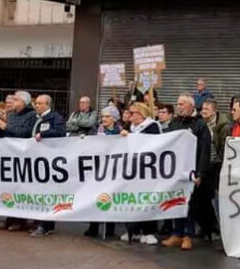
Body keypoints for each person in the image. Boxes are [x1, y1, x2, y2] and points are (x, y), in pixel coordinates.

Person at [161, 94, 211, 250]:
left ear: (191, 106)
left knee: (189, 204)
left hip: (192, 170)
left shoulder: (200, 125)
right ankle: (177, 233)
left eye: (182, 104)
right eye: (178, 103)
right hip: (176, 170)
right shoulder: (175, 122)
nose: (179, 106)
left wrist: (200, 173)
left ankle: (188, 235)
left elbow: (205, 151)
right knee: (176, 201)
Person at [0, 91, 35, 232]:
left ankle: (20, 220)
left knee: (20, 188)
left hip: (22, 156)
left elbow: (25, 133)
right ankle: (9, 218)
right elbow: (3, 134)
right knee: (8, 188)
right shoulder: (11, 115)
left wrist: (5, 126)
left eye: (16, 99)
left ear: (23, 102)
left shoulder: (31, 115)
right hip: (9, 154)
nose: (12, 101)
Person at [122, 102, 161, 244]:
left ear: (141, 114)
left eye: (132, 113)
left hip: (148, 169)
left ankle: (149, 231)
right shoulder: (129, 127)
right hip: (132, 169)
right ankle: (134, 230)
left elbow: (150, 143)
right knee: (132, 199)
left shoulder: (152, 126)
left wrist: (130, 136)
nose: (129, 116)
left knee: (147, 199)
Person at [28, 94, 66, 237]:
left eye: (40, 104)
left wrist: (44, 134)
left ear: (47, 105)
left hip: (48, 160)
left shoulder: (55, 117)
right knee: (36, 193)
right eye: (36, 103)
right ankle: (39, 222)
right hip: (35, 159)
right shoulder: (36, 118)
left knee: (45, 193)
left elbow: (60, 132)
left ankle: (46, 225)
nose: (37, 106)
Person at [85, 105, 122, 239]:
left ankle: (110, 228)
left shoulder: (120, 131)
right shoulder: (96, 129)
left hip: (114, 169)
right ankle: (93, 226)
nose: (104, 119)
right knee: (96, 196)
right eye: (103, 116)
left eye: (107, 116)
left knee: (111, 196)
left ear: (114, 119)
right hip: (98, 169)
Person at [200, 98, 230, 241]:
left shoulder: (223, 126)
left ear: (214, 111)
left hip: (216, 165)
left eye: (206, 109)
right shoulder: (201, 125)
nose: (203, 112)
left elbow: (223, 148)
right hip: (205, 165)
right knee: (204, 199)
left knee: (215, 198)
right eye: (202, 109)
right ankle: (207, 227)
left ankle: (218, 228)